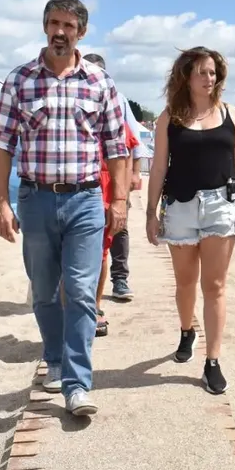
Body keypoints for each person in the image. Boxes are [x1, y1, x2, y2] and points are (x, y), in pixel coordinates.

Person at [0, 0, 127, 417]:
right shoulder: (19, 80)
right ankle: (54, 358)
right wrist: (1, 202)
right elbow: (1, 143)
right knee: (45, 292)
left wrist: (118, 199)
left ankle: (77, 383)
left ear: (81, 31)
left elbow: (117, 146)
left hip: (85, 199)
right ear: (44, 26)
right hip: (35, 198)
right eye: (53, 23)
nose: (60, 32)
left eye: (68, 25)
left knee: (83, 291)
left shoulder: (100, 82)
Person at [145, 46, 235, 395]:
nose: (209, 79)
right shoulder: (169, 118)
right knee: (185, 284)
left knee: (215, 286)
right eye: (201, 73)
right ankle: (187, 330)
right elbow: (159, 166)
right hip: (180, 207)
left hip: (221, 204)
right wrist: (151, 212)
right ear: (186, 77)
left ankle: (212, 361)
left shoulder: (231, 114)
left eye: (213, 73)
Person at [82, 53, 150, 305]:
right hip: (84, 181)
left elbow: (132, 141)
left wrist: (133, 174)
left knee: (117, 230)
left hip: (113, 180)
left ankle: (118, 280)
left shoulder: (117, 100)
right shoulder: (69, 94)